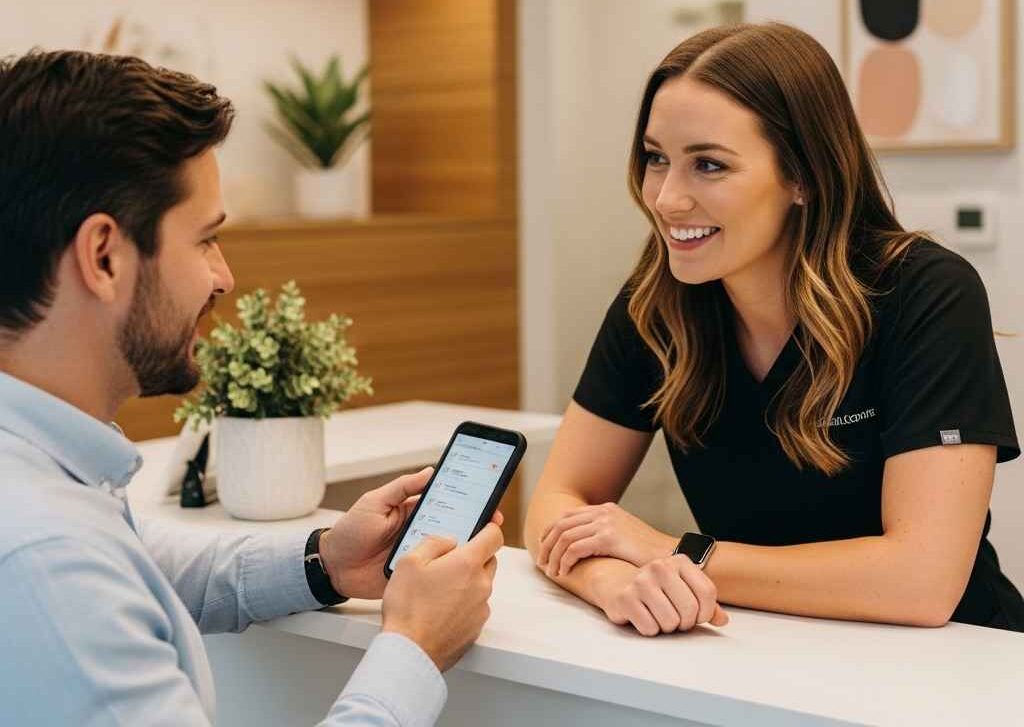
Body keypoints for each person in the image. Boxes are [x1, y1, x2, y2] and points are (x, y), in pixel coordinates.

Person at [0, 50, 503, 726]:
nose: (224, 277)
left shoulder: (43, 481)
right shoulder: (44, 563)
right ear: (104, 256)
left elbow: (135, 559)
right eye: (205, 240)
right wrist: (413, 645)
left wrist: (323, 561)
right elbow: (83, 573)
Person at [525, 22, 1023, 635]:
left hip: (955, 663)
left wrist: (676, 554)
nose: (667, 198)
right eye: (657, 159)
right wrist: (611, 582)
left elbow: (922, 582)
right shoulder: (658, 303)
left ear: (803, 177)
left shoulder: (925, 293)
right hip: (762, 653)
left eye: (708, 164)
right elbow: (555, 503)